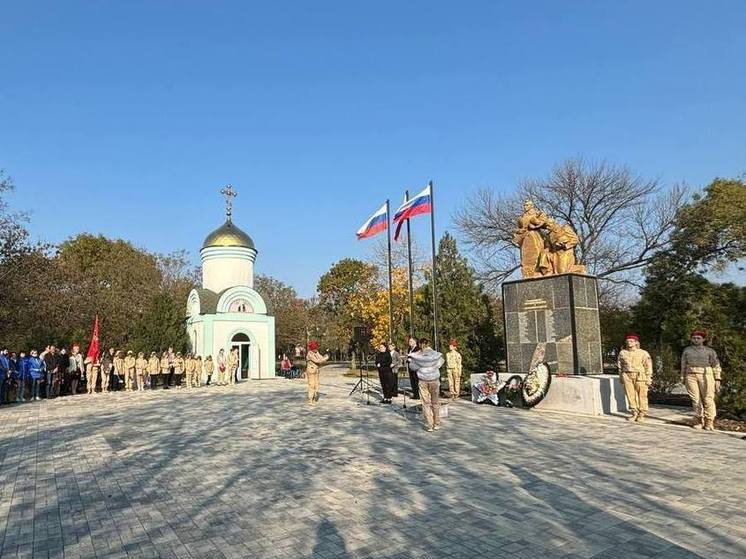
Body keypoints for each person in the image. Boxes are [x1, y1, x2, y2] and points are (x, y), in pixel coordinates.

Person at [681, 330, 722, 431]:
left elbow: (715, 365)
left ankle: (709, 421)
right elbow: (683, 364)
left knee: (708, 398)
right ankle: (699, 420)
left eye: (698, 338)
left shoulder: (709, 351)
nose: (696, 340)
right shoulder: (687, 350)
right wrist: (683, 376)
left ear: (703, 339)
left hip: (706, 375)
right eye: (694, 338)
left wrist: (717, 378)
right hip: (690, 375)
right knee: (695, 399)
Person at [408, 338, 445, 432]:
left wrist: (421, 367)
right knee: (435, 402)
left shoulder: (417, 355)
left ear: (419, 344)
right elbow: (441, 362)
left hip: (423, 380)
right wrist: (432, 367)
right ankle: (437, 423)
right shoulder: (434, 354)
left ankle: (429, 424)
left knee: (425, 403)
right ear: (428, 343)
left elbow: (412, 366)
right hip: (434, 380)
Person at [617, 333, 653, 423]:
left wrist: (649, 377)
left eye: (631, 341)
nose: (629, 343)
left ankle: (642, 413)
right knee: (630, 395)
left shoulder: (643, 353)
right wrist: (621, 376)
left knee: (642, 395)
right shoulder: (623, 352)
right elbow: (620, 366)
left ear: (636, 342)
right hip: (627, 375)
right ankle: (634, 412)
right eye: (628, 341)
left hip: (639, 375)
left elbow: (648, 366)